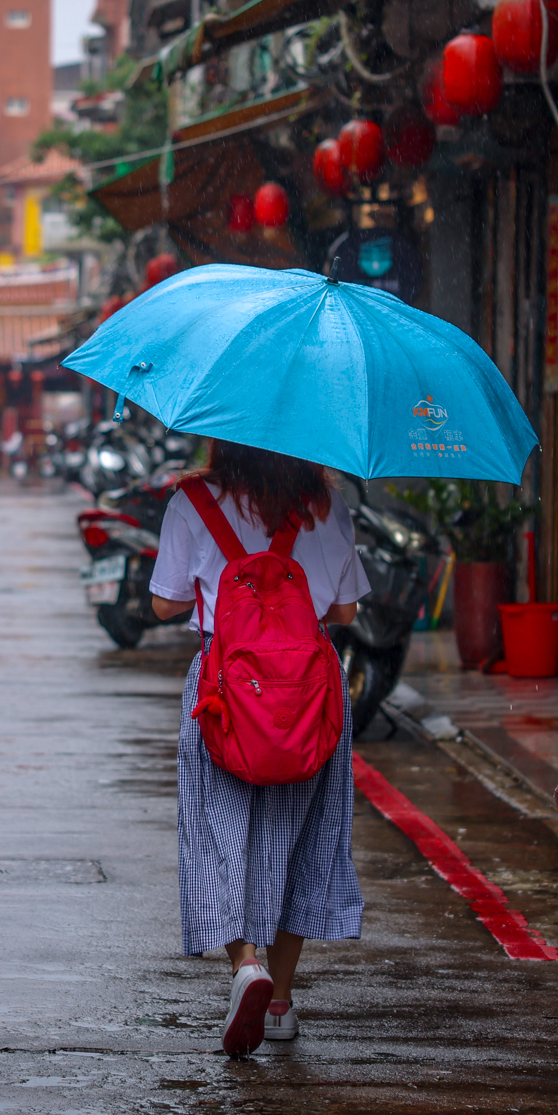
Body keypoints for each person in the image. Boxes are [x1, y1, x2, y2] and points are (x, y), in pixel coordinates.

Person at [147, 438, 369, 1057]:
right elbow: (347, 610)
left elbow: (165, 602)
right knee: (304, 837)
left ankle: (246, 964)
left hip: (224, 690)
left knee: (217, 831)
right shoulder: (327, 505)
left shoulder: (191, 501)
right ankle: (280, 1005)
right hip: (309, 692)